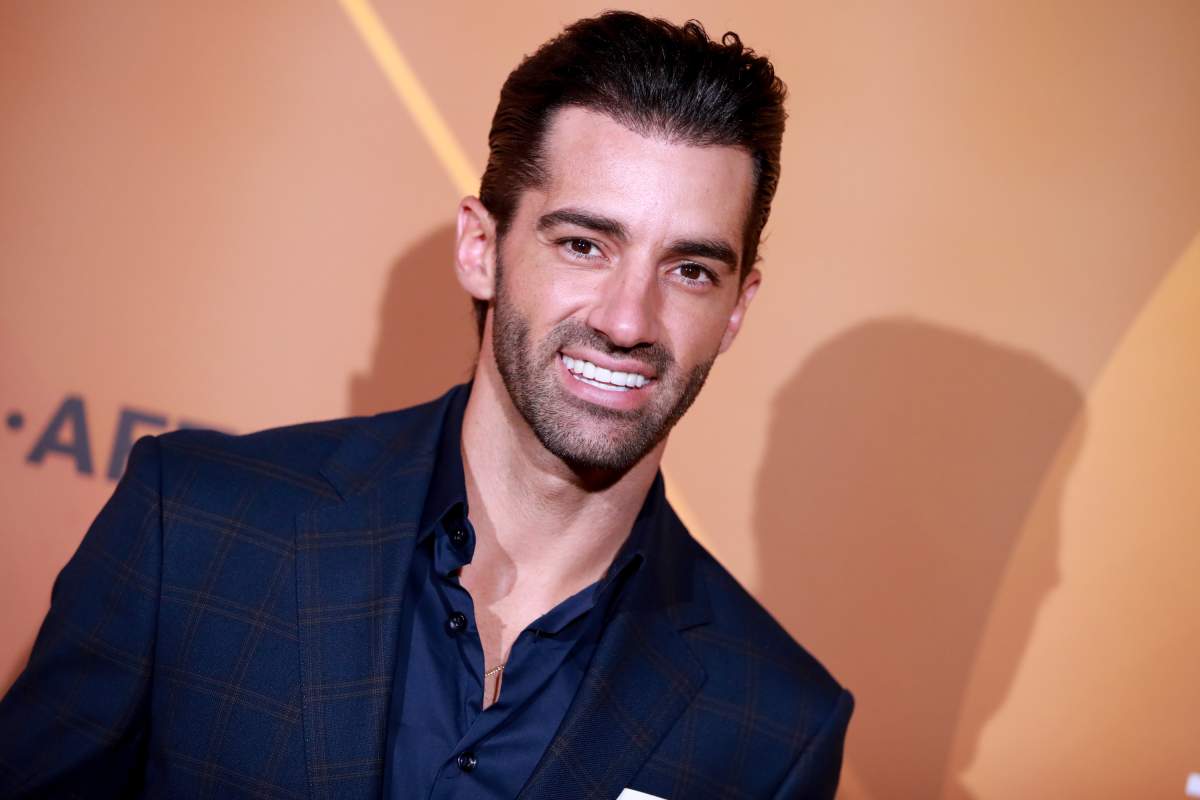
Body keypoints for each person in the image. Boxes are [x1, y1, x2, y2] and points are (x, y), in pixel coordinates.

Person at [0, 11, 851, 799]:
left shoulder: (775, 726)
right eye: (584, 245)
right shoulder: (195, 527)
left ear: (735, 309)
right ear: (481, 248)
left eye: (690, 270)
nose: (628, 321)